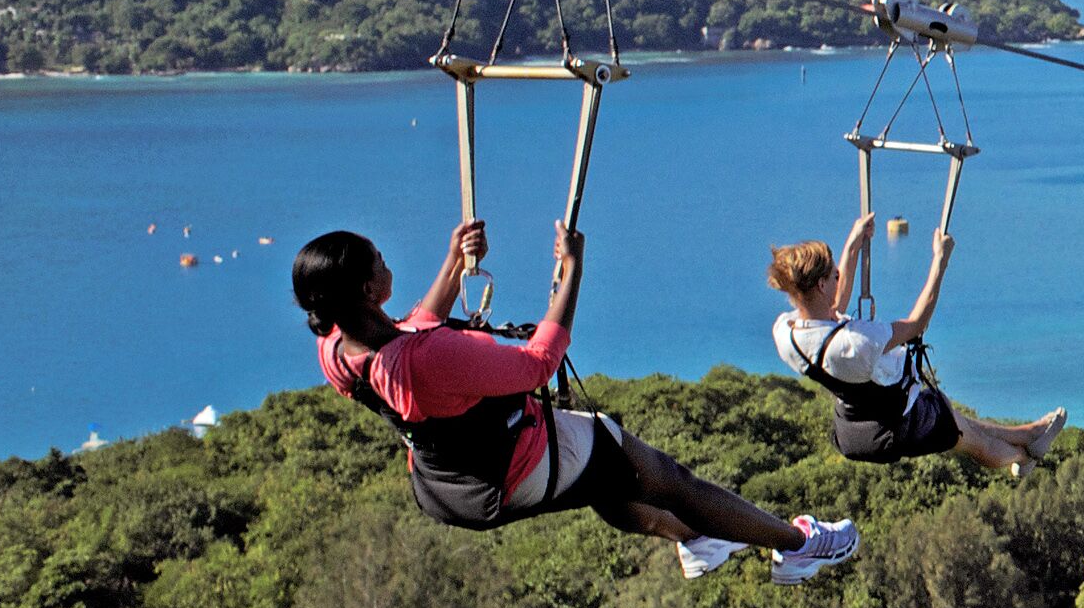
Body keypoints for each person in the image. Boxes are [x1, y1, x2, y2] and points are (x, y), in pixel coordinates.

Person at [295, 219, 856, 579]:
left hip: (449, 486)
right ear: (370, 289)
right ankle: (798, 544)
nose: (387, 262)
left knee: (603, 477)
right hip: (514, 468)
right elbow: (537, 363)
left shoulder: (338, 347)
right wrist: (572, 273)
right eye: (378, 261)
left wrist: (452, 261)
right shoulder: (426, 361)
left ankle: (695, 543)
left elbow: (416, 325)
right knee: (664, 476)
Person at [766, 218, 1060, 472]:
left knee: (961, 421)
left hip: (857, 422)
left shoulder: (787, 332)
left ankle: (1030, 433)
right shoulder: (855, 344)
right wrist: (939, 261)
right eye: (834, 275)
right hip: (900, 422)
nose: (838, 277)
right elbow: (917, 323)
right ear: (819, 285)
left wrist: (854, 245)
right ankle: (1023, 456)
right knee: (972, 441)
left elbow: (835, 305)